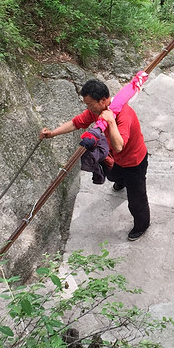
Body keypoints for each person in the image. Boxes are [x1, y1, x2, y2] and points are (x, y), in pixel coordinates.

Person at [40, 79, 150, 241]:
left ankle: (142, 225)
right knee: (111, 175)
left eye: (90, 104)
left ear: (103, 100)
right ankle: (122, 181)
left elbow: (119, 145)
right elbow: (76, 123)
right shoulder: (96, 111)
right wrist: (53, 133)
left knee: (136, 199)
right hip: (115, 158)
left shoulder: (123, 116)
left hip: (134, 162)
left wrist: (111, 121)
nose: (88, 108)